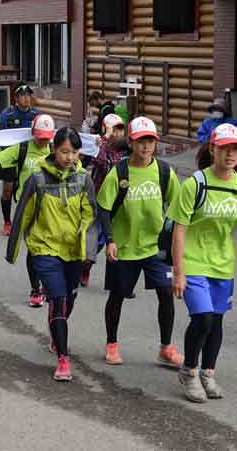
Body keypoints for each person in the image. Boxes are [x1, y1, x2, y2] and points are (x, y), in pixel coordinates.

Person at [168, 123, 237, 403]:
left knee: (216, 321)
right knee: (203, 317)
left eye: (236, 149)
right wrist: (179, 273)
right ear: (213, 149)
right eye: (225, 148)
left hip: (223, 264)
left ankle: (208, 372)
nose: (231, 154)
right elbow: (179, 229)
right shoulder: (195, 184)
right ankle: (189, 371)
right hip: (193, 262)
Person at [6, 127, 98, 382]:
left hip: (73, 251)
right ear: (54, 150)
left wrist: (89, 252)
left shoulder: (84, 179)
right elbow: (23, 214)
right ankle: (63, 359)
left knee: (69, 298)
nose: (70, 157)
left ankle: (56, 332)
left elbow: (90, 217)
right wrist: (12, 251)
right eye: (64, 151)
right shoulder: (37, 179)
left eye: (74, 152)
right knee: (58, 298)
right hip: (44, 248)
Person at [95, 116, 184, 368]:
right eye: (140, 141)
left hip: (155, 247)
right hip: (124, 247)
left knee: (166, 294)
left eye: (150, 141)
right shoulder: (120, 172)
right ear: (131, 143)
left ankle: (166, 348)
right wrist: (110, 240)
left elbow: (179, 208)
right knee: (118, 296)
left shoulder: (164, 171)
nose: (146, 147)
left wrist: (176, 239)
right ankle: (112, 344)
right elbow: (103, 207)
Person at [0, 114, 56, 307]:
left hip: (52, 207)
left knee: (51, 248)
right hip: (28, 206)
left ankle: (48, 285)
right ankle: (36, 289)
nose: (43, 141)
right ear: (33, 133)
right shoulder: (23, 148)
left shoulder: (56, 149)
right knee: (34, 248)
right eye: (40, 136)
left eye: (47, 137)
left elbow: (75, 165)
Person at [81, 113, 127, 287]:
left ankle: (119, 283)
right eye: (113, 129)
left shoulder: (127, 151)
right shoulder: (101, 147)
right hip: (98, 202)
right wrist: (105, 138)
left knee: (116, 241)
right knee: (94, 243)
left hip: (119, 204)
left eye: (120, 129)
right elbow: (96, 159)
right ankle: (85, 266)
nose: (117, 133)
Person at [0, 84, 41, 233]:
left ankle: (29, 221)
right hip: (11, 157)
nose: (27, 98)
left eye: (29, 95)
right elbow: (1, 138)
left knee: (31, 190)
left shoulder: (37, 115)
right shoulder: (7, 114)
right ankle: (7, 222)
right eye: (23, 95)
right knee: (8, 190)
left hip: (31, 158)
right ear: (16, 98)